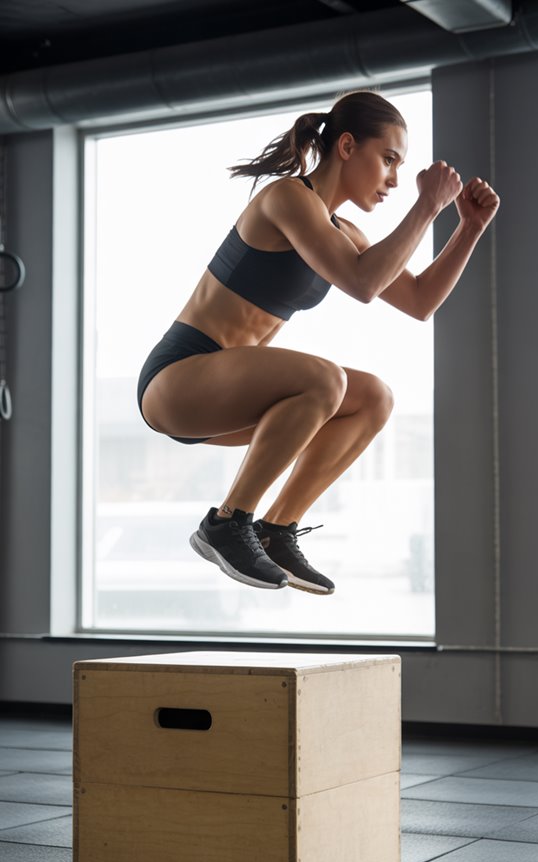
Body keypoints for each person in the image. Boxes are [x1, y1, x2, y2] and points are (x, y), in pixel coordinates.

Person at [137, 90, 499, 595]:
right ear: (347, 146)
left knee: (373, 396)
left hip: (228, 395)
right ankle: (227, 522)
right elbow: (362, 284)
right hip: (177, 379)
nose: (394, 178)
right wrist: (426, 206)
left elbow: (419, 301)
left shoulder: (342, 229)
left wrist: (468, 229)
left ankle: (276, 530)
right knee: (325, 379)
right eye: (388, 159)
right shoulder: (287, 198)